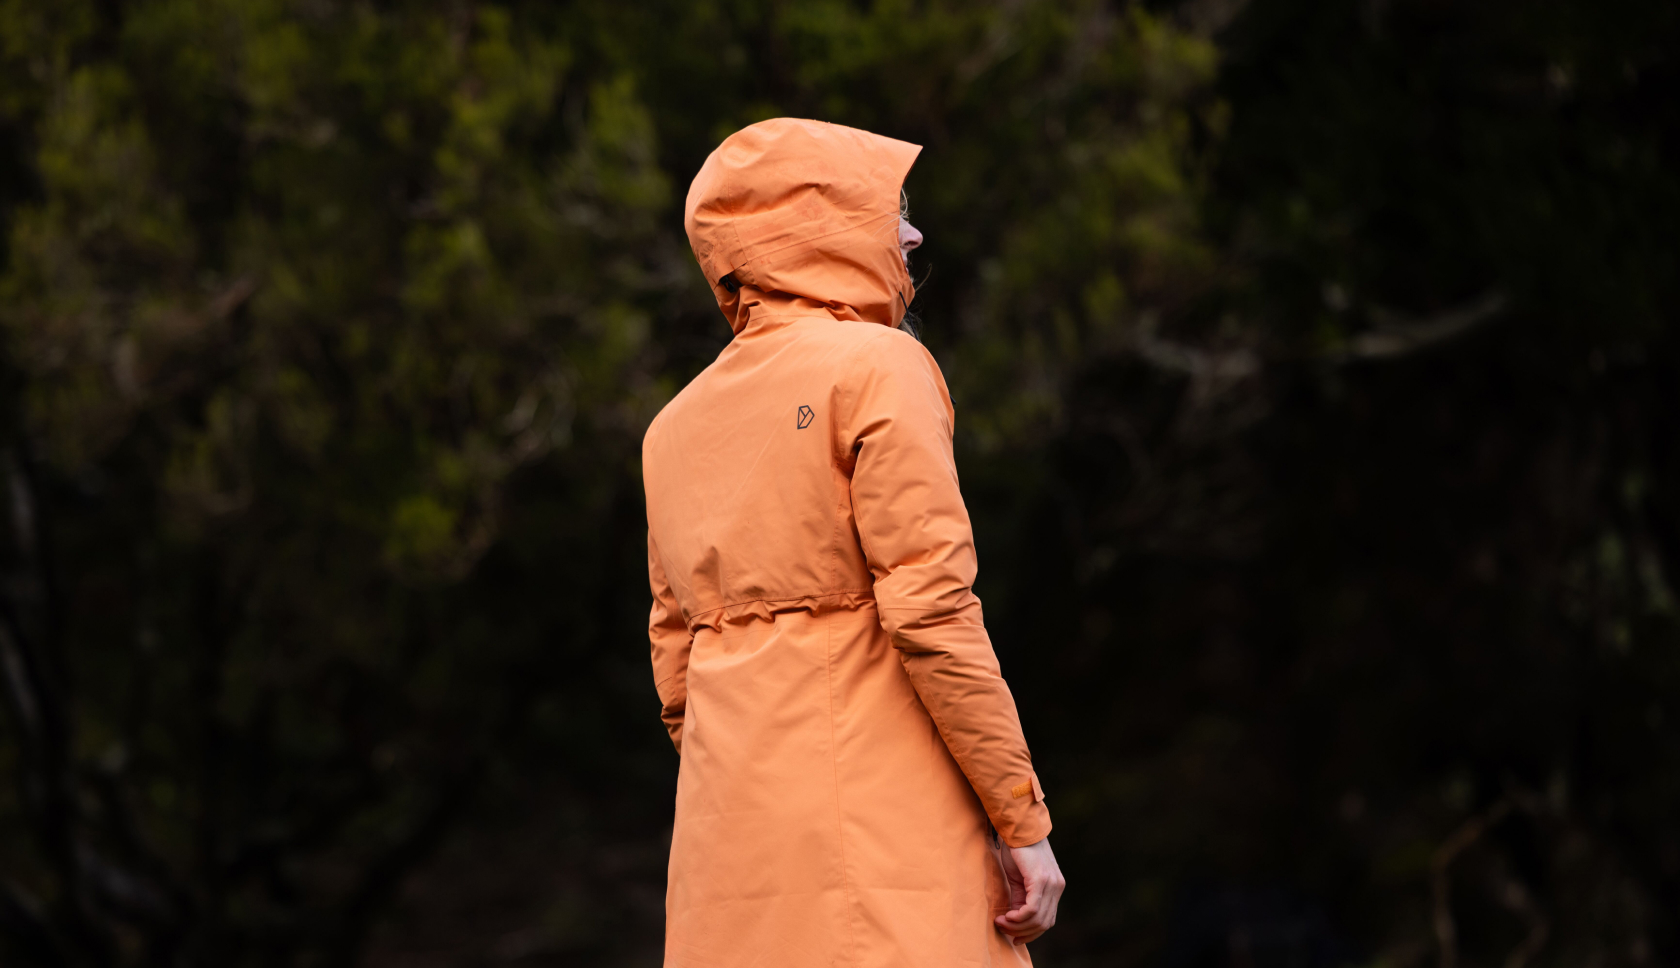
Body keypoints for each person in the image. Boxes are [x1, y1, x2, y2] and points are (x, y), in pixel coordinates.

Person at [642, 118, 1064, 968]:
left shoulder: (672, 425)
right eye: (886, 211)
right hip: (884, 839)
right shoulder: (878, 367)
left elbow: (676, 674)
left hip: (728, 852)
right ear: (815, 226)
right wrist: (1020, 816)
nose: (912, 233)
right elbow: (934, 611)